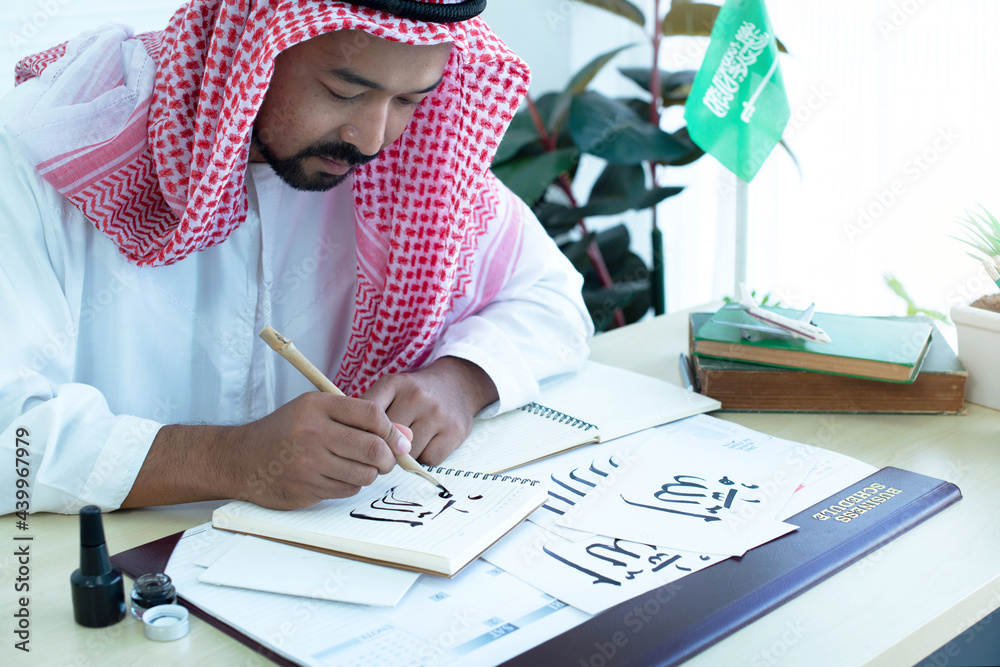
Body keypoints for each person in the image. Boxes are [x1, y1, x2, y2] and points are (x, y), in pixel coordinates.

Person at [0, 0, 592, 515]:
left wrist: (461, 380)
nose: (372, 137)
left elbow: (551, 299)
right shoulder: (46, 146)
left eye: (410, 99)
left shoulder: (414, 163)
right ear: (249, 48)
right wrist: (228, 460)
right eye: (345, 92)